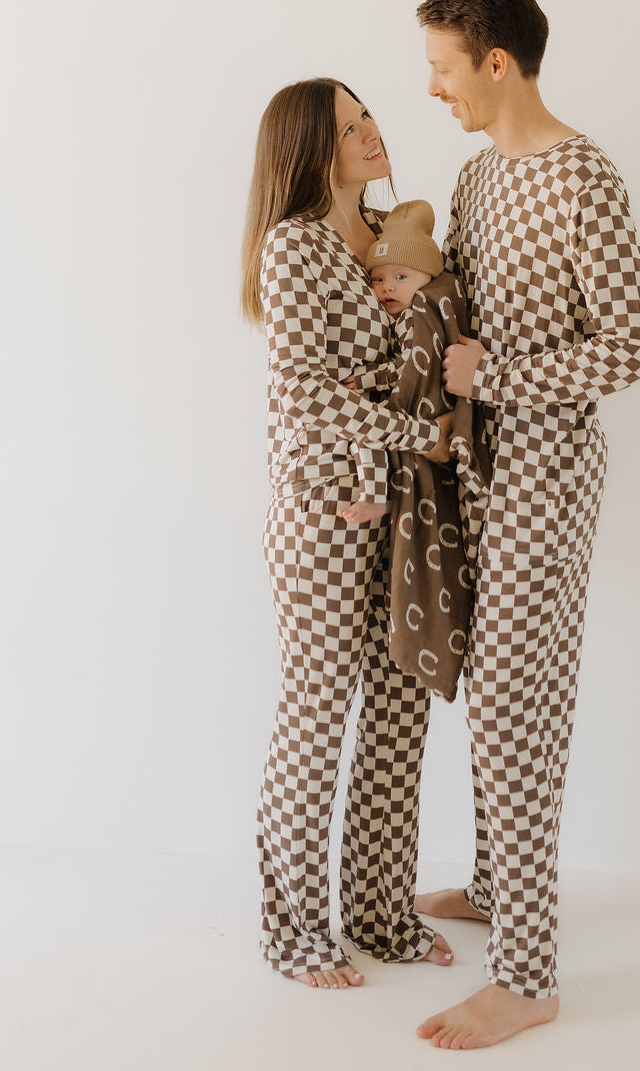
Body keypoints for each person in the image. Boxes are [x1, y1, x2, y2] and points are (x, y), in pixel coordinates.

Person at [411, 0, 640, 1050]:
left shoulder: (580, 179)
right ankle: (496, 884)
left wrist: (494, 377)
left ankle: (528, 976)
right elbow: (465, 310)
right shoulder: (473, 179)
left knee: (521, 701)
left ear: (496, 63)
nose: (432, 91)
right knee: (491, 685)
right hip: (477, 471)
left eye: (441, 69)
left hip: (547, 475)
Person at [240, 78, 456, 989]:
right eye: (347, 128)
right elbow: (301, 394)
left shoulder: (393, 241)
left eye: (368, 117)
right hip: (324, 514)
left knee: (401, 715)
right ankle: (294, 930)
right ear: (305, 152)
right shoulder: (294, 248)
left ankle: (378, 910)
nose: (372, 134)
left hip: (405, 514)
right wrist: (417, 432)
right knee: (318, 716)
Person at [339, 200, 490, 702]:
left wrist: (370, 384)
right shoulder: (423, 309)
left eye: (399, 278)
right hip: (421, 434)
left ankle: (377, 495)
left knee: (369, 428)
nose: (386, 289)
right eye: (379, 279)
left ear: (424, 277)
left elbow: (410, 372)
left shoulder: (423, 313)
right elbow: (404, 362)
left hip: (420, 427)